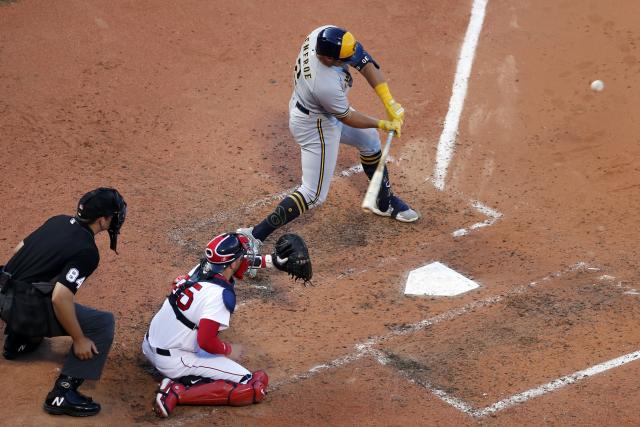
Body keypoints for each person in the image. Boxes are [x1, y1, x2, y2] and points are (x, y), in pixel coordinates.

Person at [237, 25, 419, 275]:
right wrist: (383, 122)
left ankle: (383, 201)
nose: (350, 58)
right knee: (313, 194)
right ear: (328, 58)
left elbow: (364, 61)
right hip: (316, 125)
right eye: (343, 59)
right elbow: (346, 116)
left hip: (317, 111)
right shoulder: (324, 83)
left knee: (370, 141)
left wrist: (390, 102)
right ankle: (252, 238)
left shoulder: (322, 35)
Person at [0, 187, 127, 417]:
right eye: (113, 215)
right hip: (19, 307)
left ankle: (17, 340)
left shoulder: (58, 220)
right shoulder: (88, 251)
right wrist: (79, 339)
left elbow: (20, 249)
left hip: (2, 290)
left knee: (39, 286)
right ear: (102, 220)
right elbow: (60, 297)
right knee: (102, 324)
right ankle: (63, 393)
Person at [143, 232, 271, 418]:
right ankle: (176, 392)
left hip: (151, 344)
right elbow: (206, 341)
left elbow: (239, 262)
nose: (245, 260)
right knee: (253, 385)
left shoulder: (200, 269)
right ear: (233, 263)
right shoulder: (218, 296)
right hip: (174, 361)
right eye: (242, 256)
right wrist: (229, 349)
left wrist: (273, 261)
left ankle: (186, 381)